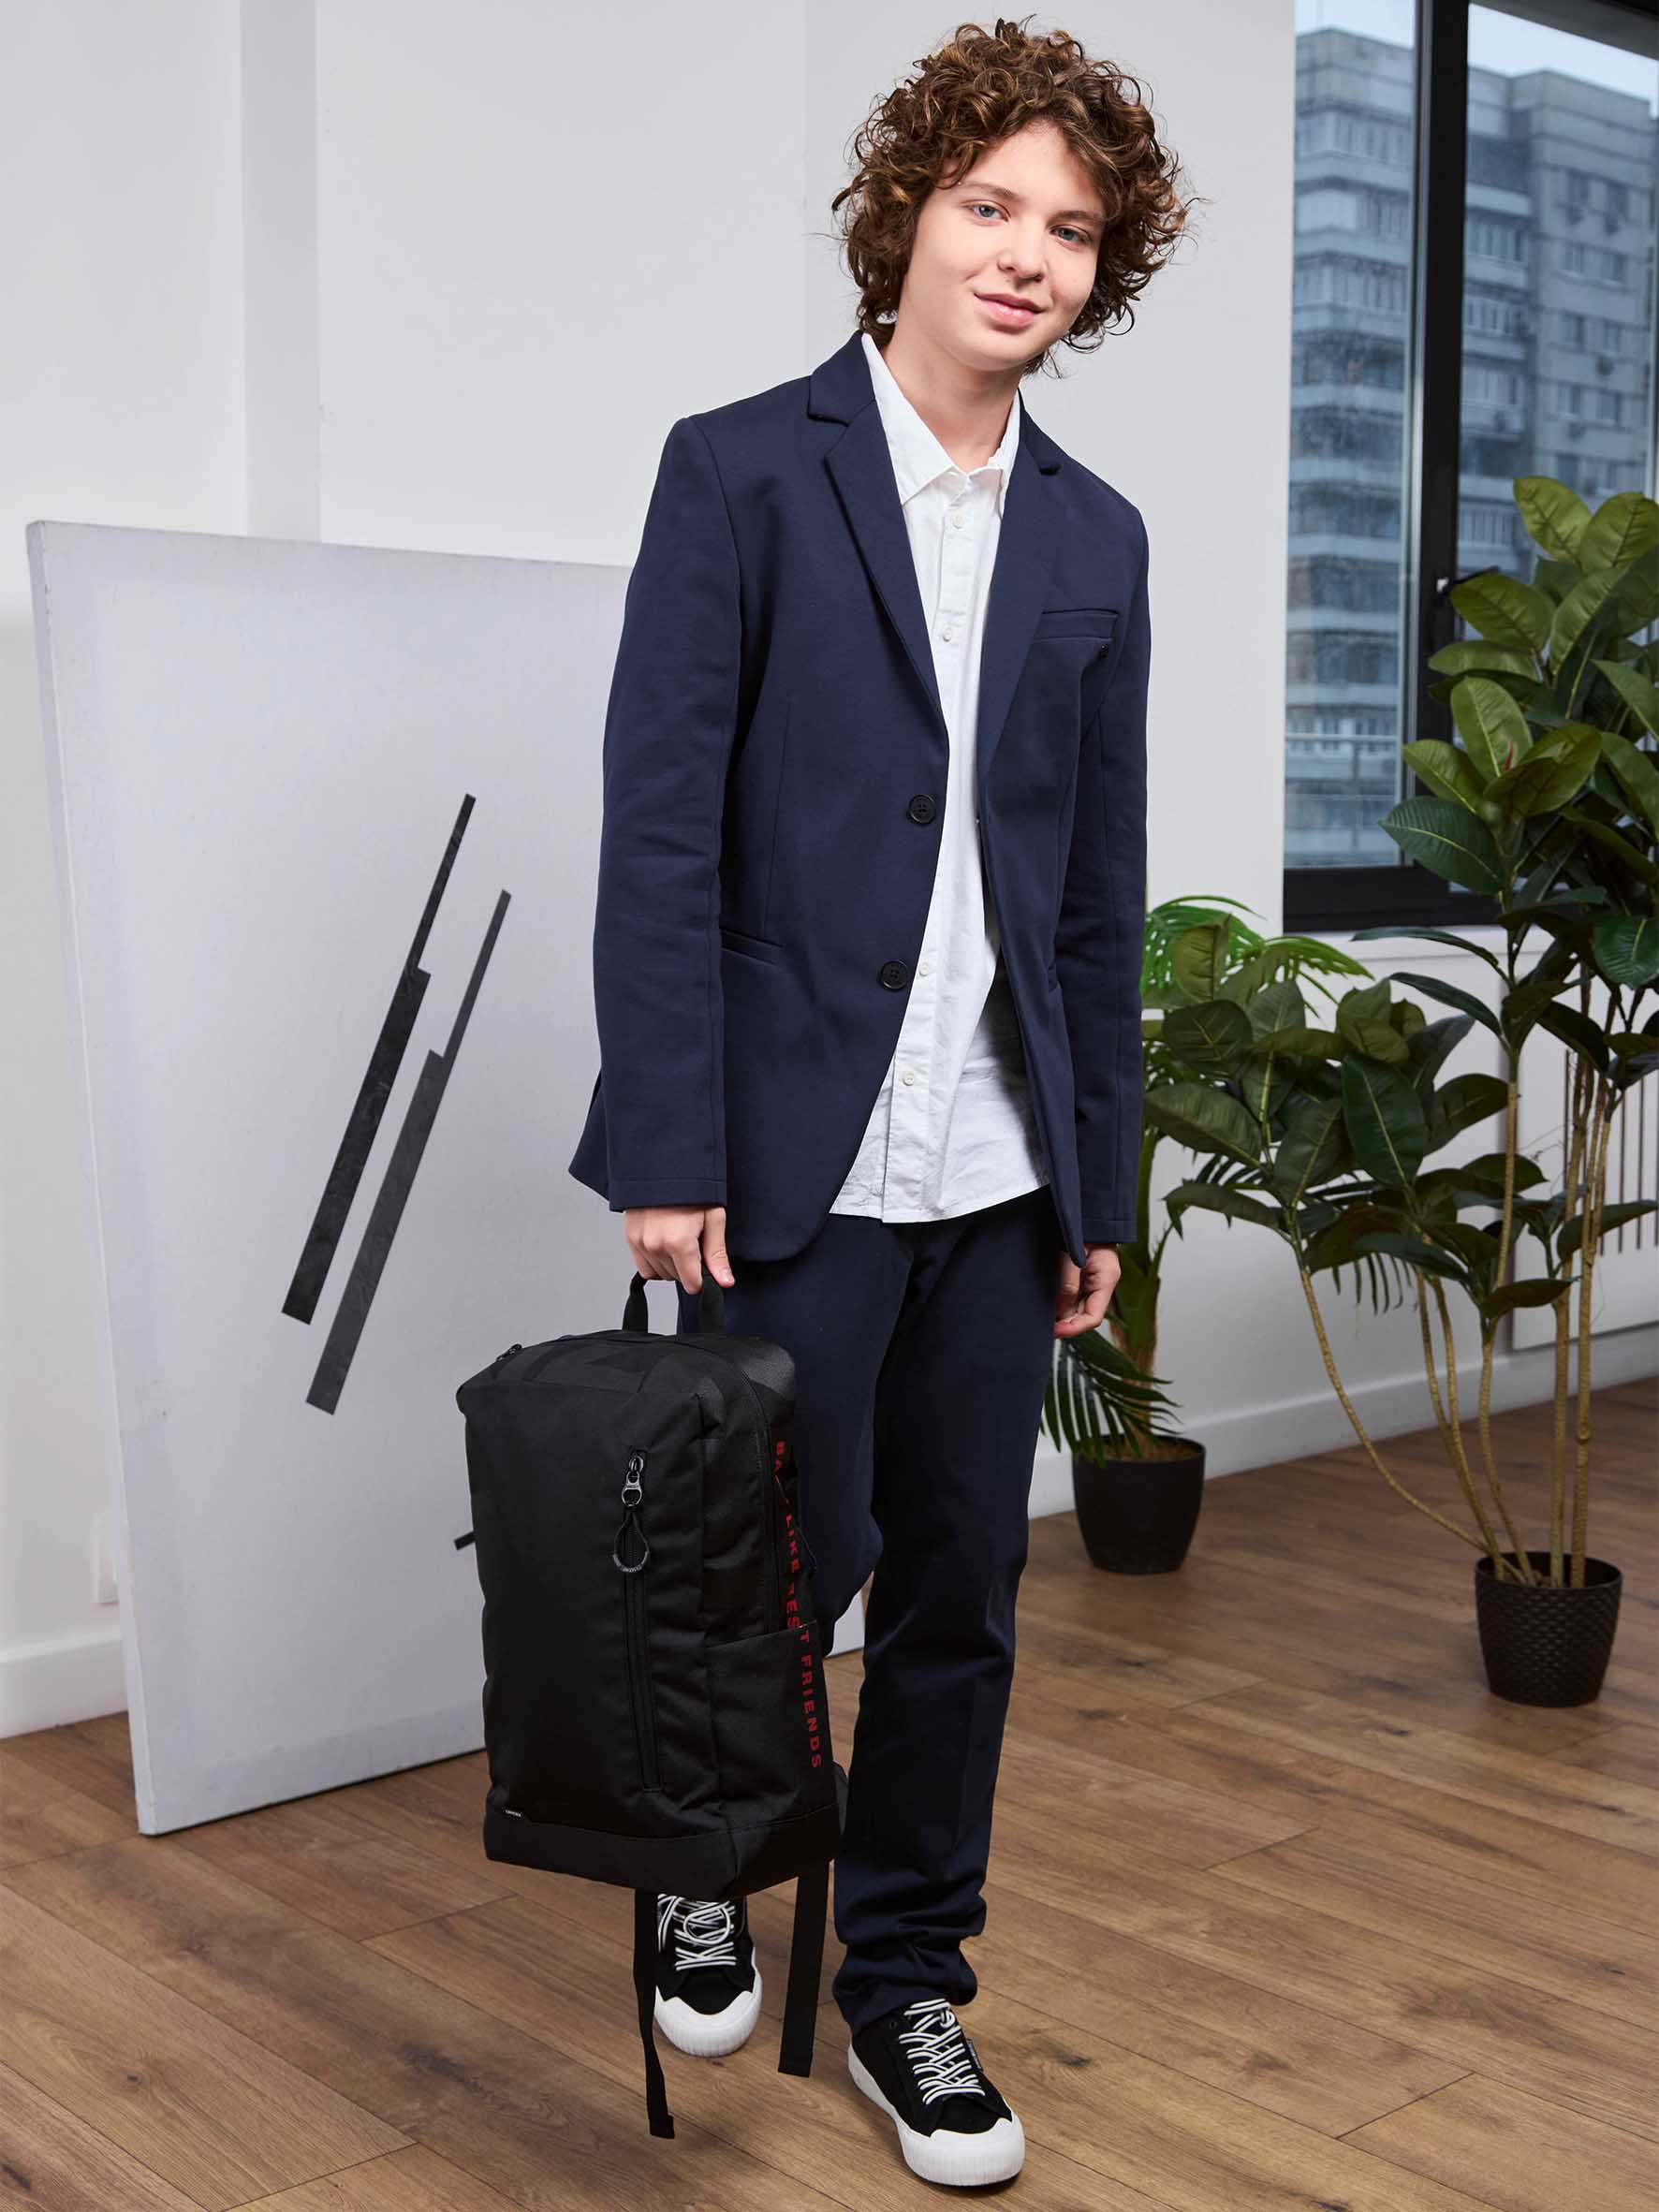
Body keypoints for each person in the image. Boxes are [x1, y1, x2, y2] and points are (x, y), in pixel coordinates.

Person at [567, 17, 1188, 2188]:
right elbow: (660, 836)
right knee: (759, 1573)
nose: (1026, 255)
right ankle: (698, 1869)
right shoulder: (741, 471)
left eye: (1071, 231)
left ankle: (906, 1984)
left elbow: (1095, 896)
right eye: (988, 205)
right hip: (781, 1161)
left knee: (958, 1605)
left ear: (1100, 275)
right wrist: (667, 1142)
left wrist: (1100, 1180)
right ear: (905, 216)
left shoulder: (1098, 539)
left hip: (1000, 1174)